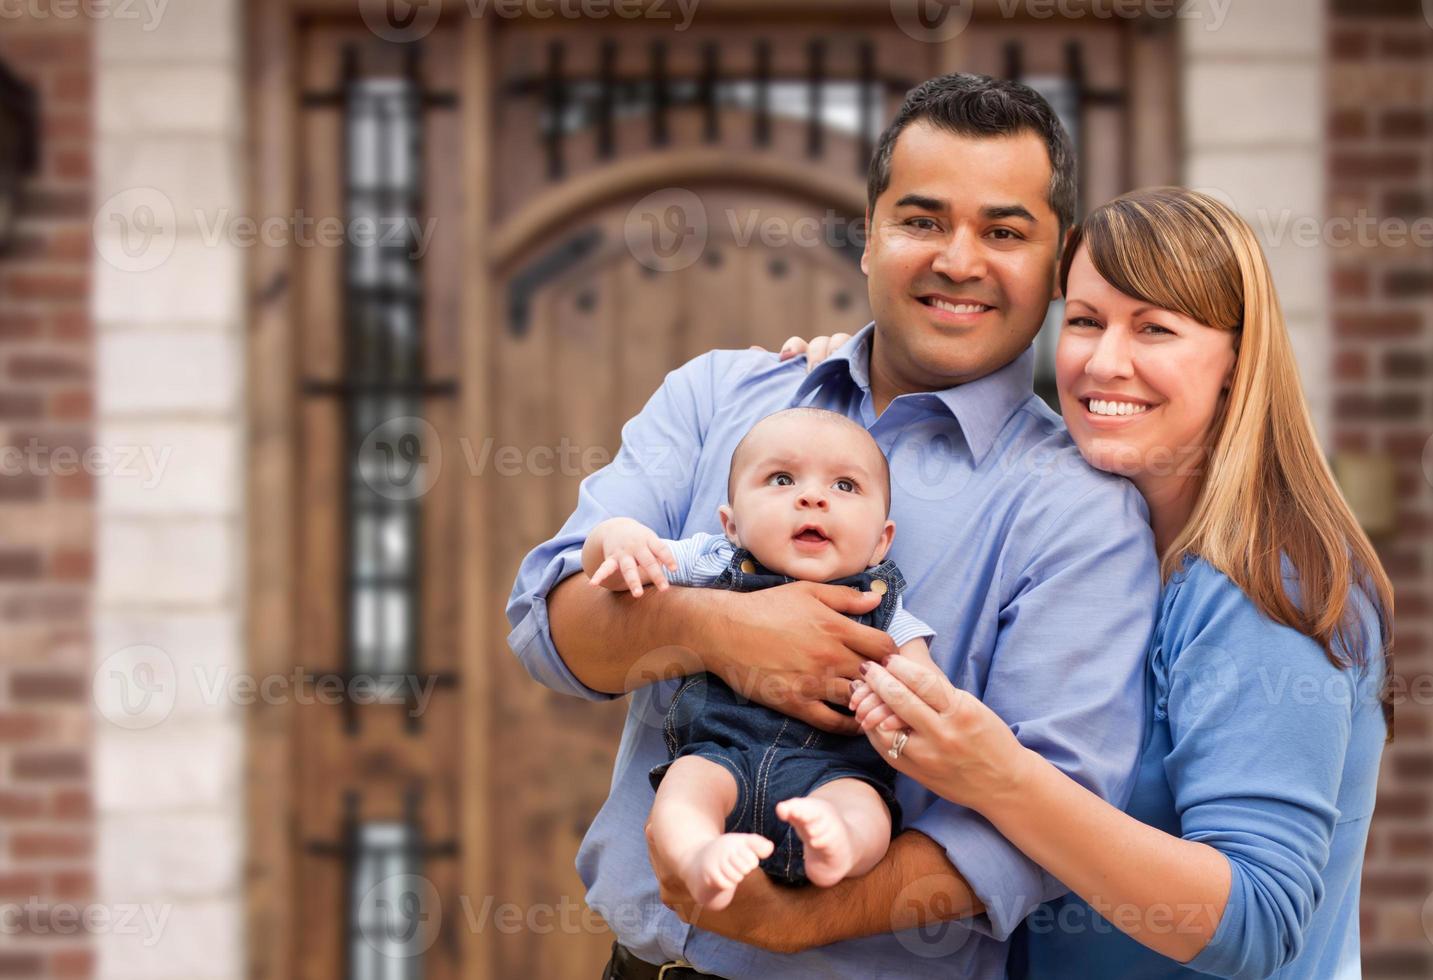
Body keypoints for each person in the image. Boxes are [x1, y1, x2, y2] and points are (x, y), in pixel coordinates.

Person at [507, 73, 1160, 979]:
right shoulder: (718, 398)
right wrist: (719, 629)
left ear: (1057, 266)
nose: (958, 260)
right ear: (867, 234)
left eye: (1003, 232)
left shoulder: (1079, 512)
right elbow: (547, 629)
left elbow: (1050, 820)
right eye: (922, 221)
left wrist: (797, 921)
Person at [789, 187, 1392, 979]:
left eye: (1155, 329)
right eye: (1083, 320)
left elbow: (1256, 920)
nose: (1105, 362)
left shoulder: (1264, 582)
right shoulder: (1096, 540)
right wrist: (863, 377)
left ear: (1234, 365)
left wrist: (1000, 777)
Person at [583, 408, 936, 911]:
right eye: (782, 479)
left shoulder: (884, 604)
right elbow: (612, 572)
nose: (812, 497)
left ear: (881, 541)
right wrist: (616, 538)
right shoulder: (712, 561)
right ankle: (699, 855)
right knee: (682, 794)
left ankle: (838, 844)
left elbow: (924, 686)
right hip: (719, 754)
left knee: (867, 811)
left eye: (845, 486)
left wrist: (907, 700)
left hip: (834, 770)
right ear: (732, 524)